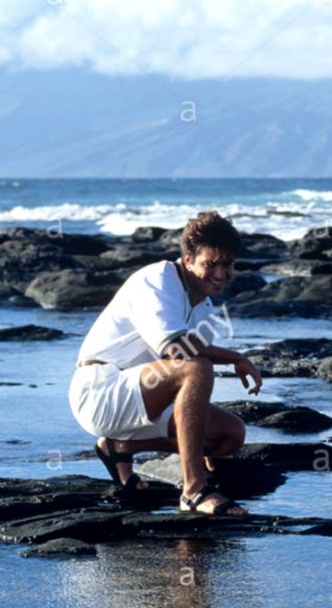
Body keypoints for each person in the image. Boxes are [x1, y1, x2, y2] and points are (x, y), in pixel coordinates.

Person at [68, 211, 263, 516]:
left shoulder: (204, 304)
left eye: (227, 264)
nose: (221, 273)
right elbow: (176, 351)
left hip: (143, 398)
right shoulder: (158, 279)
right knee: (196, 366)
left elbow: (181, 369)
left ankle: (119, 449)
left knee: (230, 435)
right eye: (210, 264)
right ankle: (194, 490)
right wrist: (236, 357)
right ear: (188, 260)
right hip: (100, 392)